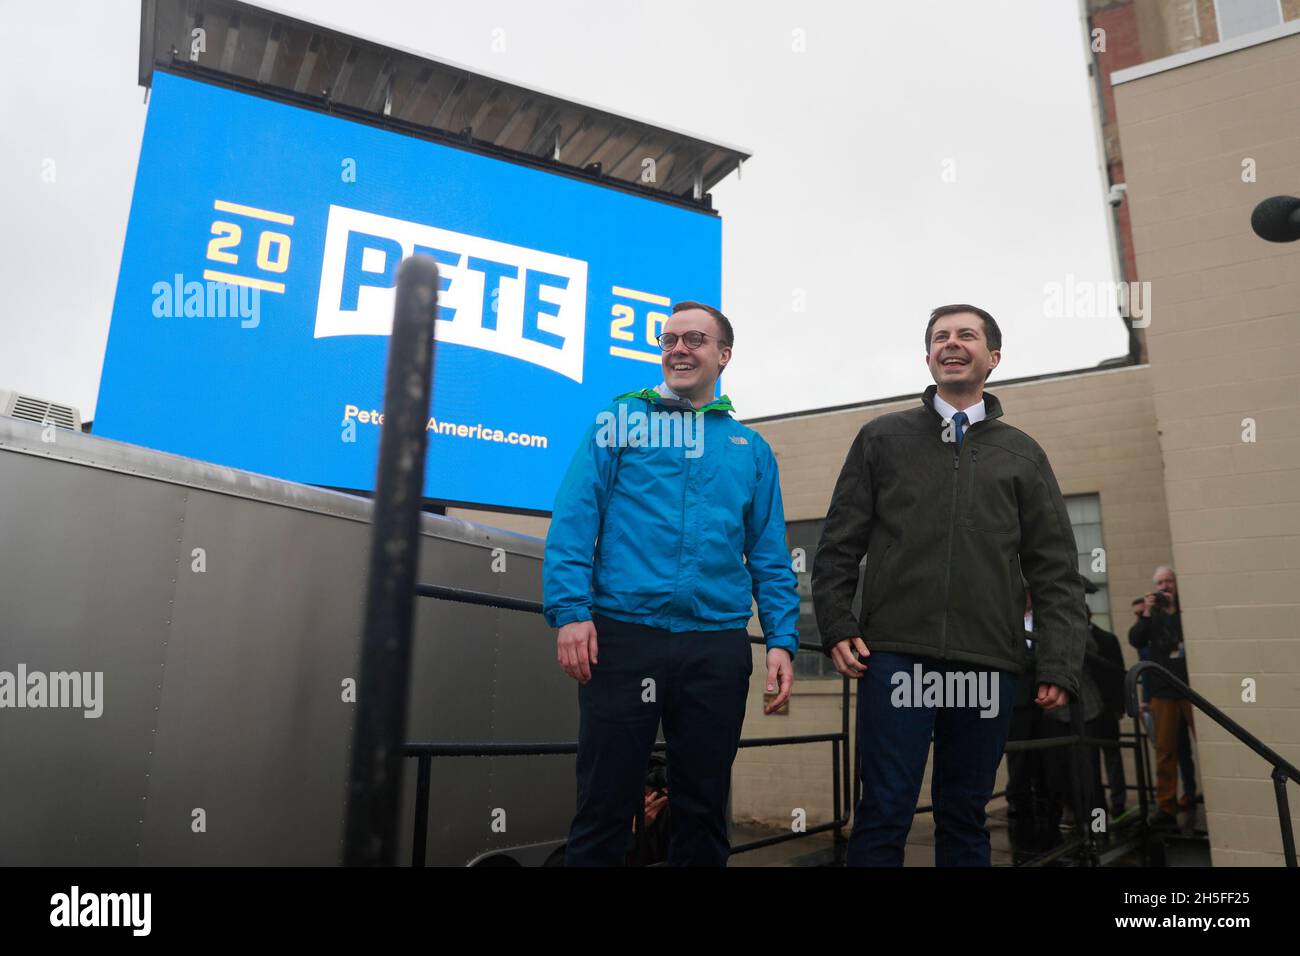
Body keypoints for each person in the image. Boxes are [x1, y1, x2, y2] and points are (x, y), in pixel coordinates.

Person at [813, 303, 1088, 867]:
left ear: (994, 357)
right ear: (928, 356)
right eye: (940, 337)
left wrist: (1060, 661)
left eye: (967, 335)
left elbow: (1055, 568)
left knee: (965, 815)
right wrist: (837, 622)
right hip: (894, 658)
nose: (952, 343)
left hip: (987, 661)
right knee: (883, 809)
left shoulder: (1023, 454)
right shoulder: (880, 439)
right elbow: (839, 543)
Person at [544, 301, 799, 866]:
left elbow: (770, 554)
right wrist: (570, 612)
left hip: (715, 646)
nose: (678, 348)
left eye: (695, 339)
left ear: (723, 355)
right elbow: (574, 519)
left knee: (703, 809)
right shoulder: (620, 420)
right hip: (623, 638)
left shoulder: (750, 450)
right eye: (669, 339)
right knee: (604, 806)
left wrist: (781, 640)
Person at [1128, 566, 1195, 828]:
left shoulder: (1186, 609)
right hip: (1163, 692)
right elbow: (1135, 640)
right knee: (1165, 750)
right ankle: (1167, 806)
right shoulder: (1151, 615)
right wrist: (1146, 612)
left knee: (1209, 743)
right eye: (1160, 583)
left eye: (1169, 581)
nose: (1166, 586)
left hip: (1192, 690)